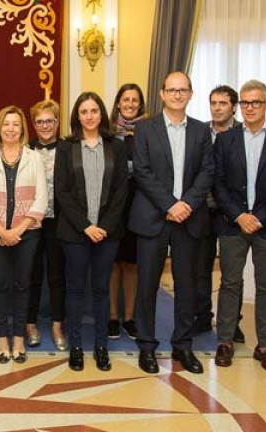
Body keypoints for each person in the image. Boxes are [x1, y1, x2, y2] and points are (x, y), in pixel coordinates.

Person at [129, 71, 213, 375]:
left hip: (189, 219)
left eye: (183, 90)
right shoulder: (145, 129)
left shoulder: (202, 131)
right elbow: (142, 171)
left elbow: (207, 172)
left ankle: (183, 345)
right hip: (154, 216)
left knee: (187, 285)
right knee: (148, 284)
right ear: (162, 94)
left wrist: (186, 204)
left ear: (190, 94)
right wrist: (170, 204)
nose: (177, 95)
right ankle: (147, 346)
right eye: (171, 90)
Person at [212, 80, 266, 372]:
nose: (250, 108)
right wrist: (239, 216)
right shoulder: (225, 140)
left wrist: (259, 218)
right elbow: (218, 184)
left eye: (256, 102)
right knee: (229, 284)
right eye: (245, 103)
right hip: (232, 224)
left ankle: (265, 346)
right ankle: (224, 341)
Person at [56, 93, 129, 372]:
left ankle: (101, 346)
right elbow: (62, 191)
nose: (89, 116)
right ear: (77, 115)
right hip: (75, 233)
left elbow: (122, 190)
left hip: (108, 233)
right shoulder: (66, 147)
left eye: (94, 110)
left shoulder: (116, 147)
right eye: (84, 111)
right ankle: (75, 345)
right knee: (74, 290)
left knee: (100, 290)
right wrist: (85, 226)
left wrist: (104, 227)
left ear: (102, 114)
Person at [0, 106, 47, 364]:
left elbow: (41, 198)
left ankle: (18, 337)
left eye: (16, 124)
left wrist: (17, 230)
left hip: (26, 233)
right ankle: (1, 338)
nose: (10, 129)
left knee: (21, 284)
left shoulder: (34, 157)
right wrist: (1, 231)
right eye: (6, 124)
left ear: (22, 128)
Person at [191, 84, 240, 337]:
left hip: (233, 213)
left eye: (223, 103)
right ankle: (202, 316)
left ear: (234, 106)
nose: (217, 108)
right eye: (213, 103)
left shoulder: (243, 134)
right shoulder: (200, 132)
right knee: (201, 267)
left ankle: (233, 322)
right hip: (203, 210)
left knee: (233, 270)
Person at [25, 100, 67, 350]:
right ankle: (29, 324)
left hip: (60, 221)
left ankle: (57, 324)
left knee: (57, 274)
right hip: (30, 221)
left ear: (57, 122)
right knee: (31, 274)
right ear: (33, 124)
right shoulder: (26, 150)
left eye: (49, 120)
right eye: (40, 121)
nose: (45, 126)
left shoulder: (69, 149)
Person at [108, 83, 146, 340]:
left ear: (140, 104)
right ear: (118, 103)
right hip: (112, 205)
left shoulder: (149, 131)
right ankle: (112, 317)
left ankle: (130, 318)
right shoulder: (107, 132)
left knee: (132, 265)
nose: (130, 104)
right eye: (126, 99)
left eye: (135, 100)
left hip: (140, 204)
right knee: (113, 263)